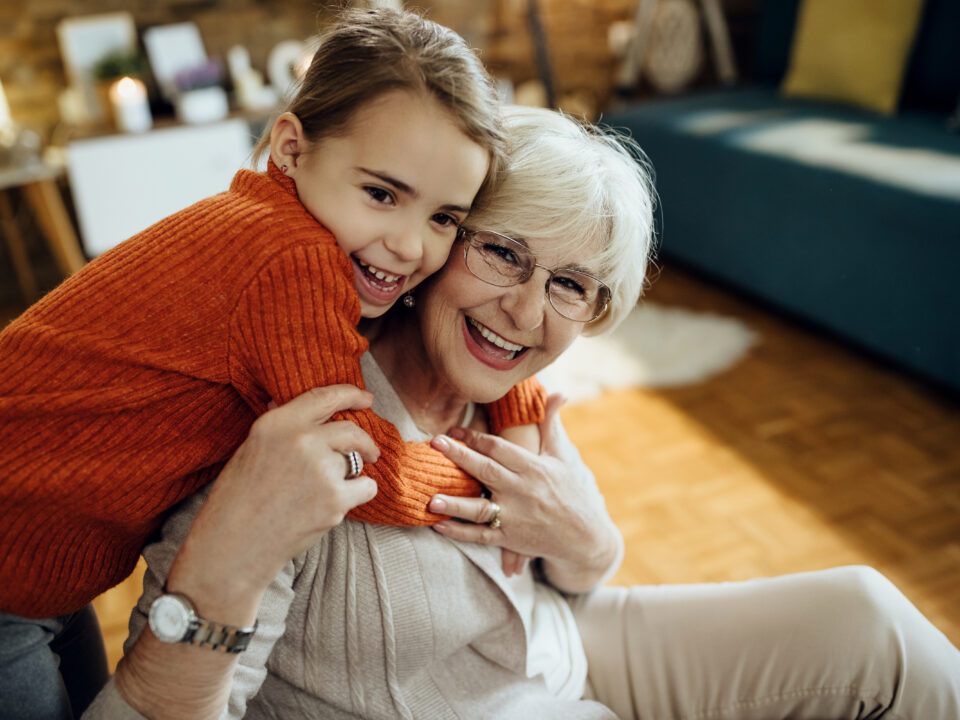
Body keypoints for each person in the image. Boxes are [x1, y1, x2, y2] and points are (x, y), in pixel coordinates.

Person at [86, 105, 960, 719]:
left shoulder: (518, 407)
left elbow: (586, 573)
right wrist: (224, 564)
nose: (527, 313)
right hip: (483, 701)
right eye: (505, 252)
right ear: (441, 239)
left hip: (562, 649)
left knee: (869, 617)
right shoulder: (300, 421)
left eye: (572, 285)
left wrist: (586, 538)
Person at [0, 9, 547, 719]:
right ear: (290, 149)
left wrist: (516, 392)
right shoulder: (291, 258)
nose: (411, 246)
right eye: (382, 194)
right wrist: (495, 482)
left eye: (445, 218)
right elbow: (363, 462)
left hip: (37, 578)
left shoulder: (268, 224)